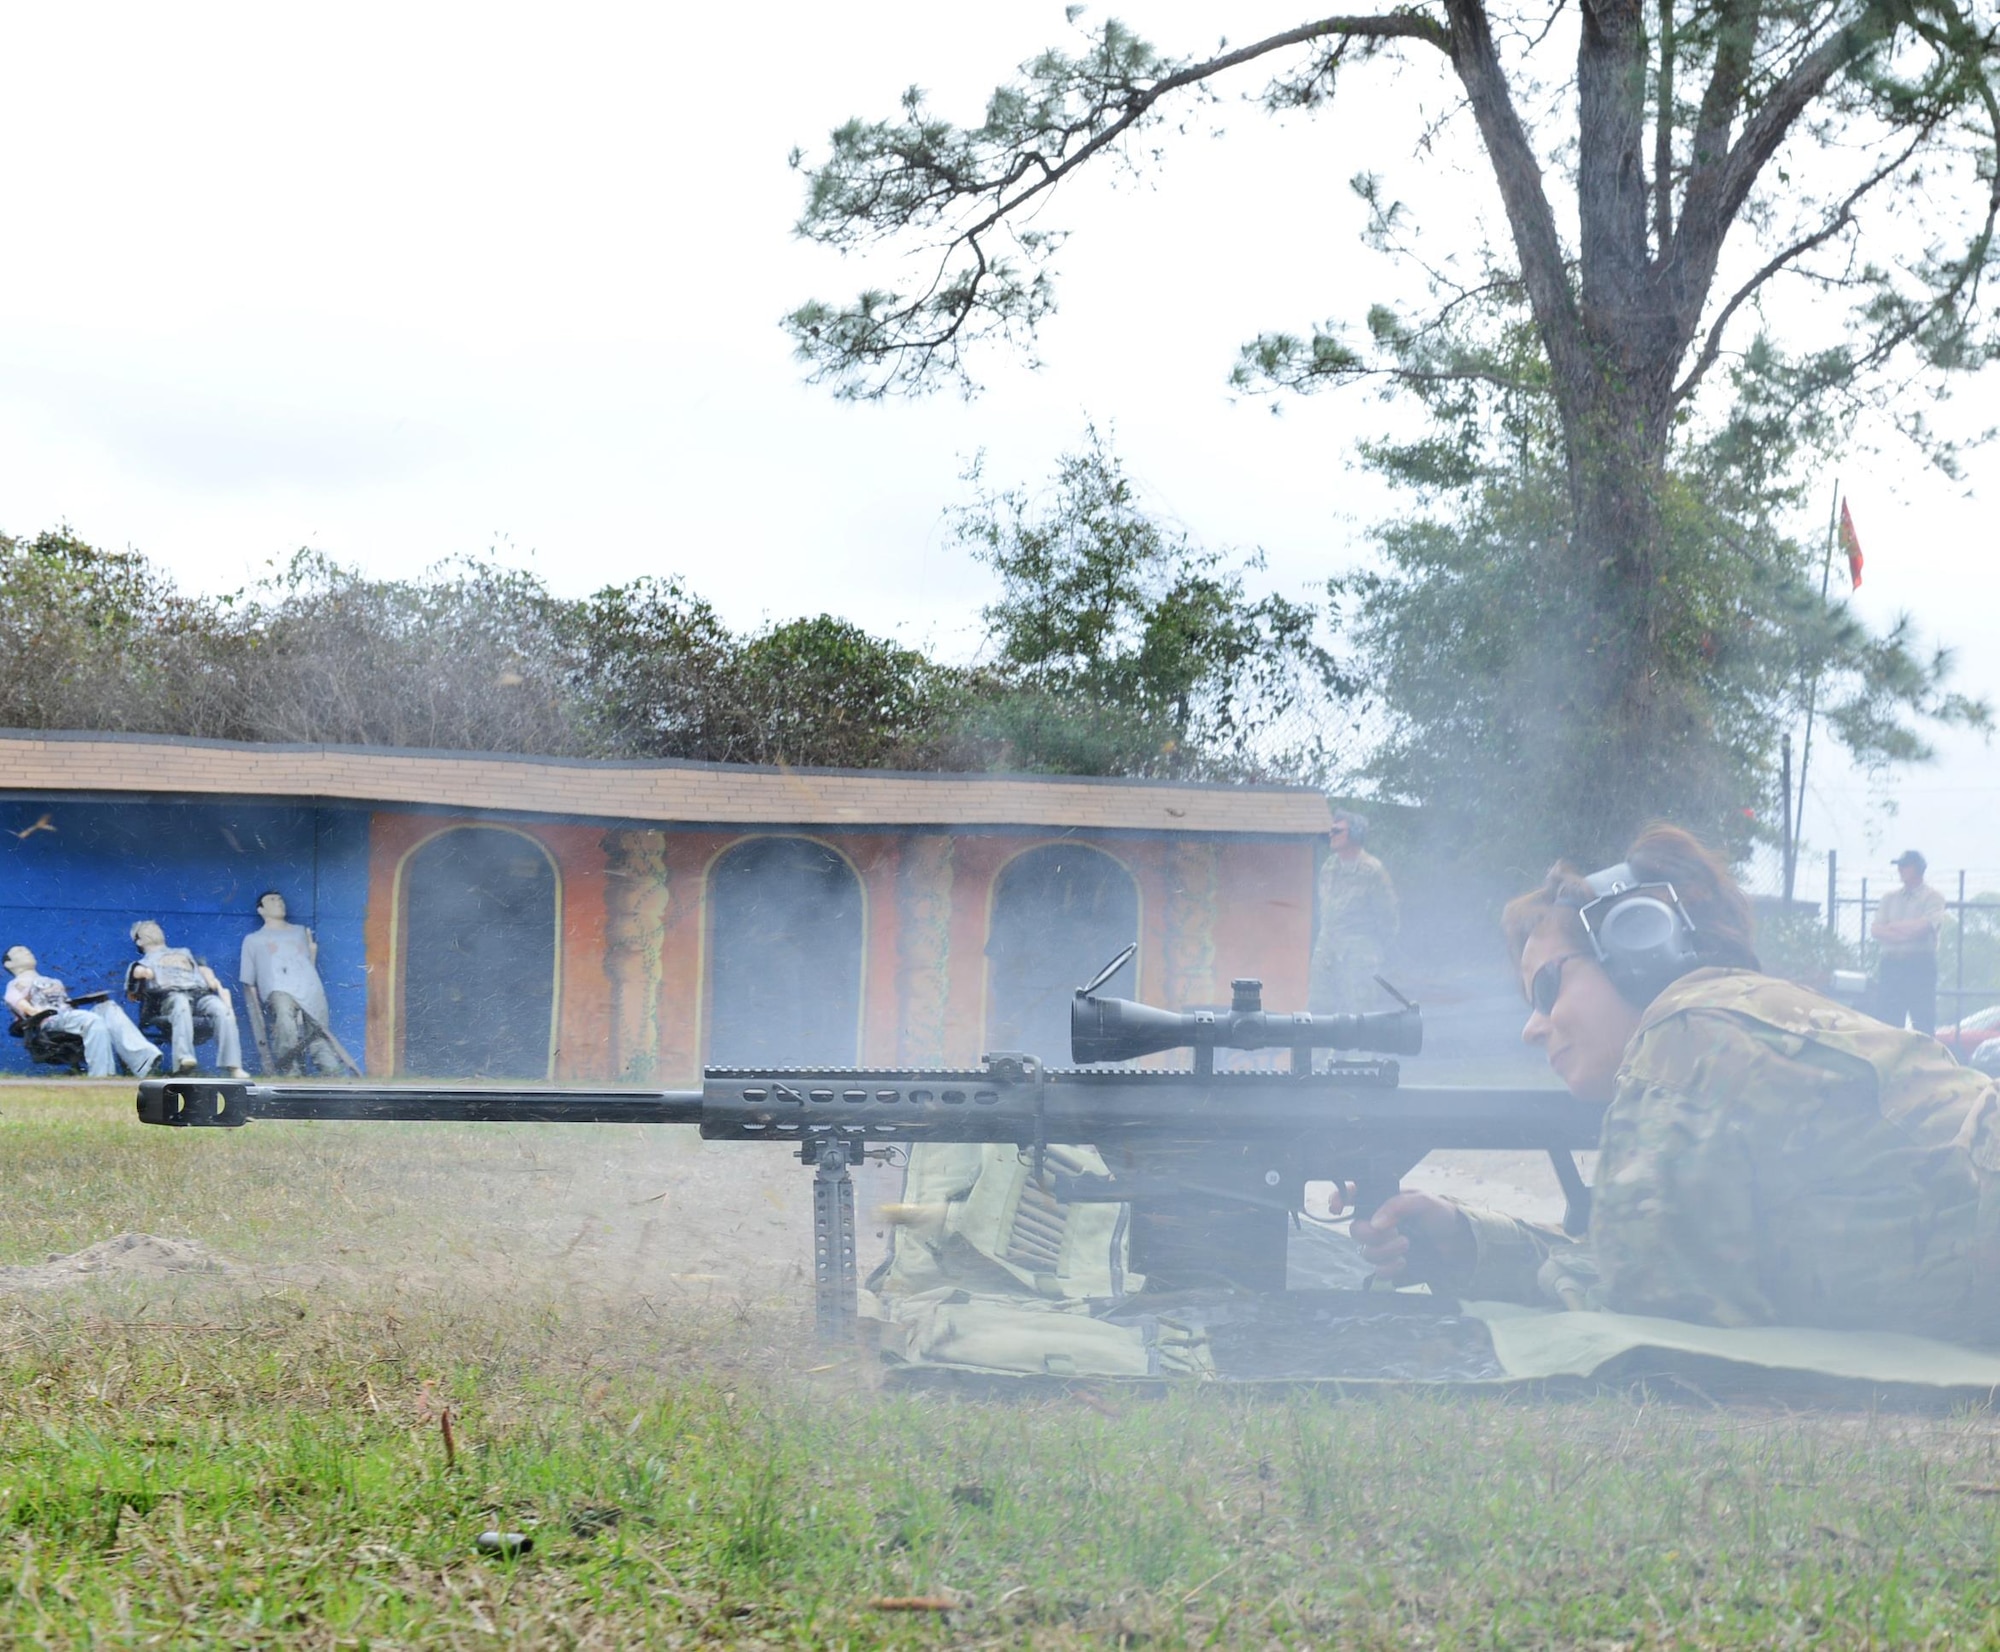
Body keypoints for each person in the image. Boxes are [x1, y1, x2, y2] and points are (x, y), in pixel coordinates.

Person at [1349, 825, 2000, 1345]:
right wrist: (1469, 1237)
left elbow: (1654, 1307)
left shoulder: (1682, 1033)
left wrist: (1476, 1246)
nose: (1534, 1027)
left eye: (1548, 987)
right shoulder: (1739, 1017)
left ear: (1635, 955)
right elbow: (1658, 1267)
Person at [3, 945, 162, 1077]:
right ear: (9, 965)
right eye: (19, 952)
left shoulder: (52, 980)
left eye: (26, 949)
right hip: (49, 1021)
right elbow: (18, 1002)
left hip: (68, 1016)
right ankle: (101, 1076)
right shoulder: (17, 983)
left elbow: (65, 1002)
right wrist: (35, 1012)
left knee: (108, 1008)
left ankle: (144, 1061)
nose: (26, 951)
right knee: (91, 1020)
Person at [238, 891, 343, 1074]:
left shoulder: (300, 932)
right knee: (285, 1023)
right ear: (260, 910)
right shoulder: (253, 940)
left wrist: (313, 952)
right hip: (278, 989)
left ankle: (332, 1072)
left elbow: (307, 963)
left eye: (280, 899)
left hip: (309, 988)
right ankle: (291, 1071)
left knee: (318, 1031)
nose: (278, 902)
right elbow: (248, 980)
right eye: (271, 900)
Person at [1308, 809, 1400, 1016]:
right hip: (1327, 950)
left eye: (1337, 830)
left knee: (1360, 1016)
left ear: (1355, 834)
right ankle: (1319, 1051)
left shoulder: (1373, 871)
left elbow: (1388, 918)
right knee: (1317, 1013)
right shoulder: (1329, 867)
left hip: (1360, 953)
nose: (1330, 835)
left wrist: (1371, 949)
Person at [126, 920, 246, 1077]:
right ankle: (184, 1059)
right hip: (169, 997)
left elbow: (204, 970)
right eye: (146, 930)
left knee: (220, 1009)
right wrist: (142, 973)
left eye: (155, 927)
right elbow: (134, 982)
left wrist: (214, 983)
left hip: (199, 994)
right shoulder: (142, 962)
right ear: (139, 941)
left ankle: (233, 1066)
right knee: (180, 1003)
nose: (153, 930)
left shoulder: (184, 952)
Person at [1871, 849, 1946, 1035]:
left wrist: (1893, 928)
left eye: (1905, 866)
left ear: (1917, 868)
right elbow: (1876, 929)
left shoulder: (1932, 897)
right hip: (1891, 964)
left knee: (1923, 1019)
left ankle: (1925, 1062)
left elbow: (1925, 926)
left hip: (1919, 964)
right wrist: (1906, 933)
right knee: (1888, 1020)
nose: (1900, 869)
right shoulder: (1889, 898)